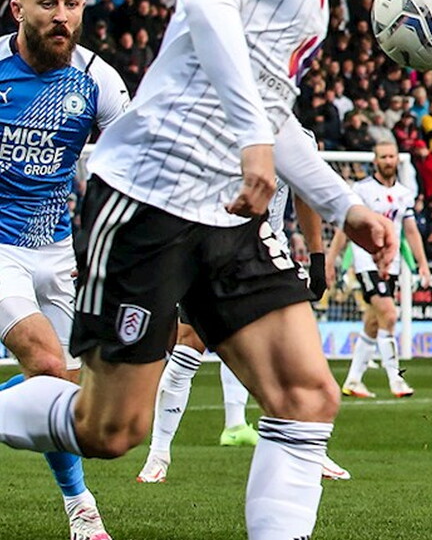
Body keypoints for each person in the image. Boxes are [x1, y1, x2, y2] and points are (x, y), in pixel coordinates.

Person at [0, 0, 395, 540]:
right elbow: (208, 2)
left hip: (230, 214)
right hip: (148, 200)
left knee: (306, 396)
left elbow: (273, 109)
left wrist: (341, 202)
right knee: (111, 432)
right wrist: (251, 137)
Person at [0, 0, 130, 540]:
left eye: (72, 4)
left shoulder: (99, 80)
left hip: (57, 252)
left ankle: (76, 501)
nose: (62, 16)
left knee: (68, 400)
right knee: (47, 364)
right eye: (48, 3)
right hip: (1, 248)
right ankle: (82, 506)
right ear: (18, 9)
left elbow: (129, 167)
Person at [137, 189, 351, 483]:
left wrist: (317, 256)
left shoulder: (292, 154)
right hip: (211, 248)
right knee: (188, 346)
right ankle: (158, 455)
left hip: (268, 255)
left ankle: (309, 451)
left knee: (291, 354)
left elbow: (304, 191)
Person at [329, 141, 430, 401]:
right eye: (383, 157)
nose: (388, 161)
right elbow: (345, 227)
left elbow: (410, 231)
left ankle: (353, 380)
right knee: (390, 314)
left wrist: (422, 262)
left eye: (391, 156)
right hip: (366, 259)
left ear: (397, 159)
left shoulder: (404, 194)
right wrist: (330, 260)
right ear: (375, 161)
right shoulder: (361, 190)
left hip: (391, 263)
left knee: (374, 322)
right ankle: (396, 378)